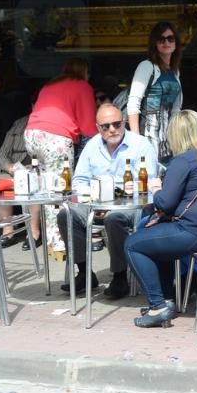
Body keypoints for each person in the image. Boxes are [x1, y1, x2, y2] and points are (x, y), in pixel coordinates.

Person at [57, 104, 159, 295]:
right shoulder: (92, 145)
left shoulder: (141, 145)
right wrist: (96, 199)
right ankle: (85, 273)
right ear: (98, 128)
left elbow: (148, 185)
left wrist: (111, 198)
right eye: (106, 126)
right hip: (95, 203)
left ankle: (120, 276)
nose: (112, 130)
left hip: (132, 205)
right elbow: (79, 180)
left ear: (124, 122)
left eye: (116, 124)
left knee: (114, 217)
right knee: (66, 214)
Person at [124, 110, 197, 328]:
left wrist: (156, 189)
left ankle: (158, 306)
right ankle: (166, 299)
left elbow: (165, 202)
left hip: (191, 231)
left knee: (133, 245)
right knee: (151, 239)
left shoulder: (183, 160)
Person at [25, 59, 99, 253]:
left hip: (31, 136)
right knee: (60, 192)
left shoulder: (50, 85)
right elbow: (88, 126)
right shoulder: (82, 86)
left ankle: (52, 238)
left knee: (46, 189)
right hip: (55, 139)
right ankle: (60, 241)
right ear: (84, 72)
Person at [126, 22, 183, 163]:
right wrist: (136, 141)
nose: (166, 42)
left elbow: (175, 110)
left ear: (176, 43)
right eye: (161, 39)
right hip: (148, 134)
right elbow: (133, 104)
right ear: (154, 43)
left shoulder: (175, 72)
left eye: (170, 38)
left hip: (169, 138)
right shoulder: (146, 66)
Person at [0, 115, 39, 248]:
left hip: (36, 168)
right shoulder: (19, 123)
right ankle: (8, 231)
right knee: (1, 184)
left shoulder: (49, 122)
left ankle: (34, 232)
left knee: (32, 184)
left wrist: (36, 166)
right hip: (14, 168)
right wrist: (9, 167)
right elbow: (2, 153)